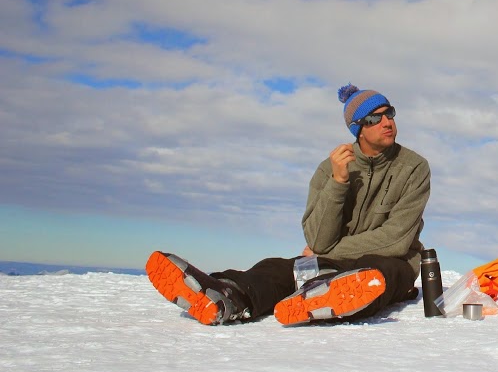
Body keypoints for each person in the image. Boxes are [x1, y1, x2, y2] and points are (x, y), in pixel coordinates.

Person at [146, 83, 431, 326]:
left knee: (378, 272)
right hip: (332, 264)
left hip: (390, 263)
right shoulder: (330, 168)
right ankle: (227, 296)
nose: (387, 122)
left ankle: (324, 295)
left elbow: (395, 240)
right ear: (358, 129)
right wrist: (338, 182)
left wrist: (325, 252)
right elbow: (318, 239)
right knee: (278, 269)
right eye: (374, 118)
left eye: (389, 113)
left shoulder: (414, 168)